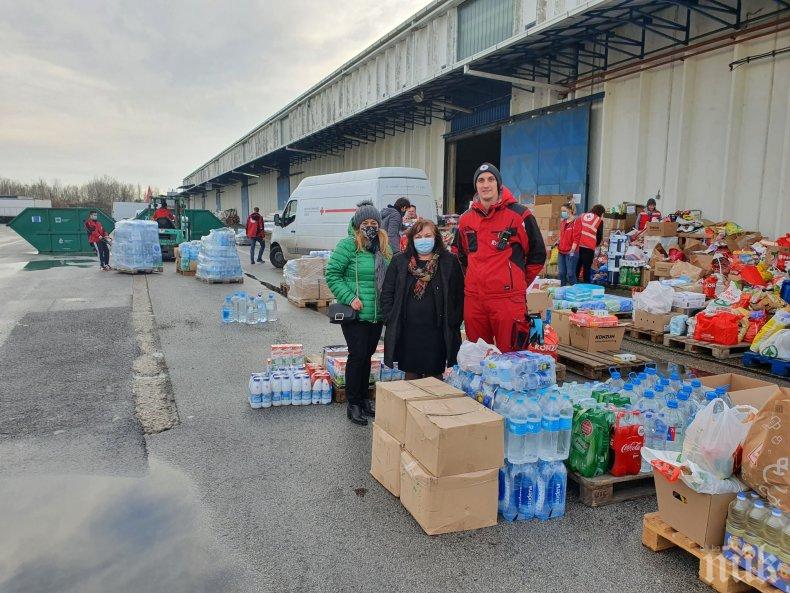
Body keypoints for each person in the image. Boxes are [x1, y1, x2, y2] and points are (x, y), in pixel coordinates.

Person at [454, 163, 546, 352]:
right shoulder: (465, 219)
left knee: (511, 358)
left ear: (499, 184)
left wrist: (517, 282)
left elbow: (538, 254)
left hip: (508, 301)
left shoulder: (520, 215)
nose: (485, 184)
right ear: (476, 186)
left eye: (490, 179)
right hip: (475, 300)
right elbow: (461, 255)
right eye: (480, 180)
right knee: (478, 358)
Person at [325, 201, 392, 426]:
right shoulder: (348, 245)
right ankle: (353, 403)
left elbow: (390, 276)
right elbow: (333, 274)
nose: (370, 226)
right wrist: (349, 297)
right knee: (358, 356)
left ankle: (364, 399)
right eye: (365, 222)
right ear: (357, 224)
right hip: (357, 312)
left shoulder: (383, 246)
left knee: (368, 356)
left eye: (374, 223)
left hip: (376, 313)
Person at [381, 219, 464, 380]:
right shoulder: (400, 261)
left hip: (437, 330)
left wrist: (454, 319)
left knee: (434, 372)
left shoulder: (448, 261)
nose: (423, 240)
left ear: (436, 238)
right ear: (412, 239)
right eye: (418, 236)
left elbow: (459, 293)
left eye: (428, 235)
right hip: (408, 330)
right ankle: (412, 404)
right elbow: (387, 292)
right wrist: (389, 317)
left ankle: (434, 405)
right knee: (411, 371)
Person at [576, 204, 605, 283]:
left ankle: (574, 283)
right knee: (587, 267)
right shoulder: (599, 220)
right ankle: (586, 285)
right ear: (601, 212)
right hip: (588, 246)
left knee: (577, 265)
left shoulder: (582, 216)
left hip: (578, 245)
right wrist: (597, 244)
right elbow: (599, 235)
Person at [556, 202, 581, 286]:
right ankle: (562, 290)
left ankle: (575, 291)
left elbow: (576, 238)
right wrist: (558, 241)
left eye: (564, 211)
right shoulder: (563, 222)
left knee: (570, 274)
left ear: (570, 210)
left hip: (571, 251)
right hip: (561, 251)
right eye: (561, 211)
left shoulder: (576, 221)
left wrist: (572, 250)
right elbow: (562, 235)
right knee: (561, 273)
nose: (562, 213)